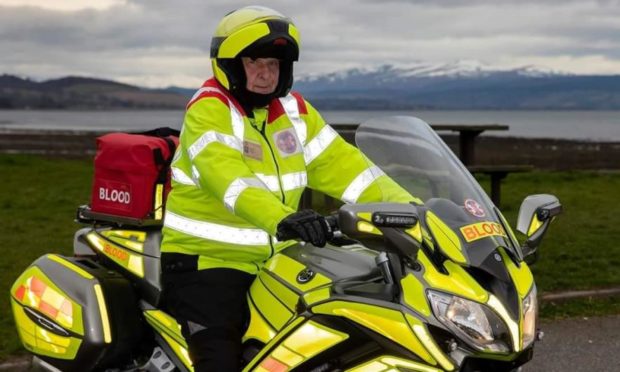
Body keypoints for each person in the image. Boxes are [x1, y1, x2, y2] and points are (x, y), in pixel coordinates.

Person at [160, 5, 416, 371]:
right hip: (206, 261)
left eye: (274, 64)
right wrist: (285, 219)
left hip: (281, 257)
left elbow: (349, 169)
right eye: (255, 62)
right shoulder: (209, 110)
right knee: (220, 358)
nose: (266, 74)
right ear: (230, 64)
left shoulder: (294, 111)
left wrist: (415, 210)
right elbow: (230, 179)